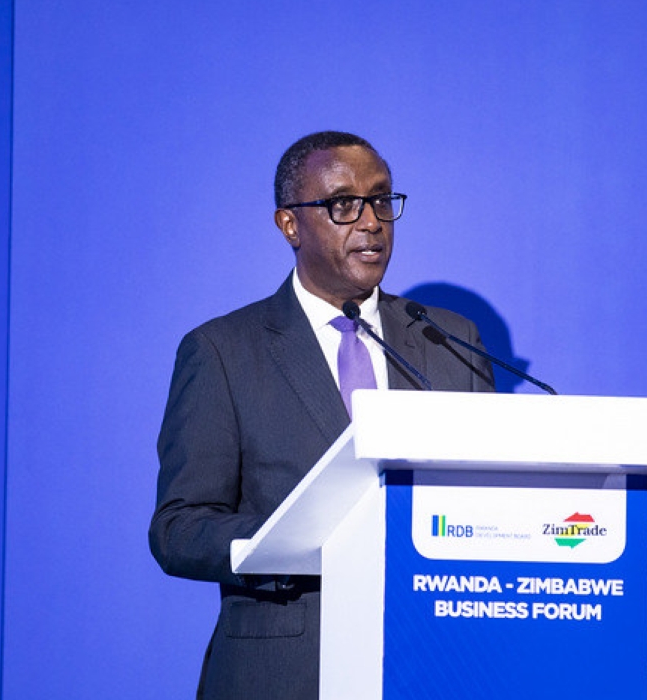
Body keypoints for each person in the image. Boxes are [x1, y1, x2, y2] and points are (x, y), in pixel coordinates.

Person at [149, 131, 494, 699]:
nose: (371, 222)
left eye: (382, 200)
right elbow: (178, 529)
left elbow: (487, 498)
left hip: (432, 662)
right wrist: (303, 539)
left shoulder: (453, 340)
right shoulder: (223, 352)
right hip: (285, 671)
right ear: (290, 224)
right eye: (343, 205)